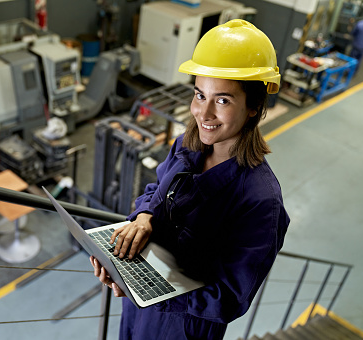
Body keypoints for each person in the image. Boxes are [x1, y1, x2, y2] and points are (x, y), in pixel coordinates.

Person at [90, 19, 290, 339]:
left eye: (222, 100)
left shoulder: (260, 200)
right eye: (199, 95)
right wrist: (143, 218)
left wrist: (150, 291)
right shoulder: (188, 145)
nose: (204, 113)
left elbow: (229, 298)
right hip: (140, 305)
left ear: (254, 106)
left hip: (183, 325)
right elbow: (157, 190)